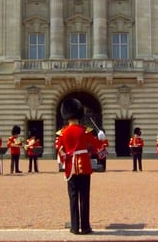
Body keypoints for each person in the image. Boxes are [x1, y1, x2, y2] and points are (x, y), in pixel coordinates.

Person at [56, 97, 94, 235]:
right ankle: (85, 227)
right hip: (84, 166)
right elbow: (97, 147)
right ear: (79, 114)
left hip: (70, 168)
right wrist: (103, 140)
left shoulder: (62, 133)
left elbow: (59, 150)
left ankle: (74, 227)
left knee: (73, 197)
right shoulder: (85, 131)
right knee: (84, 197)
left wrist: (65, 159)